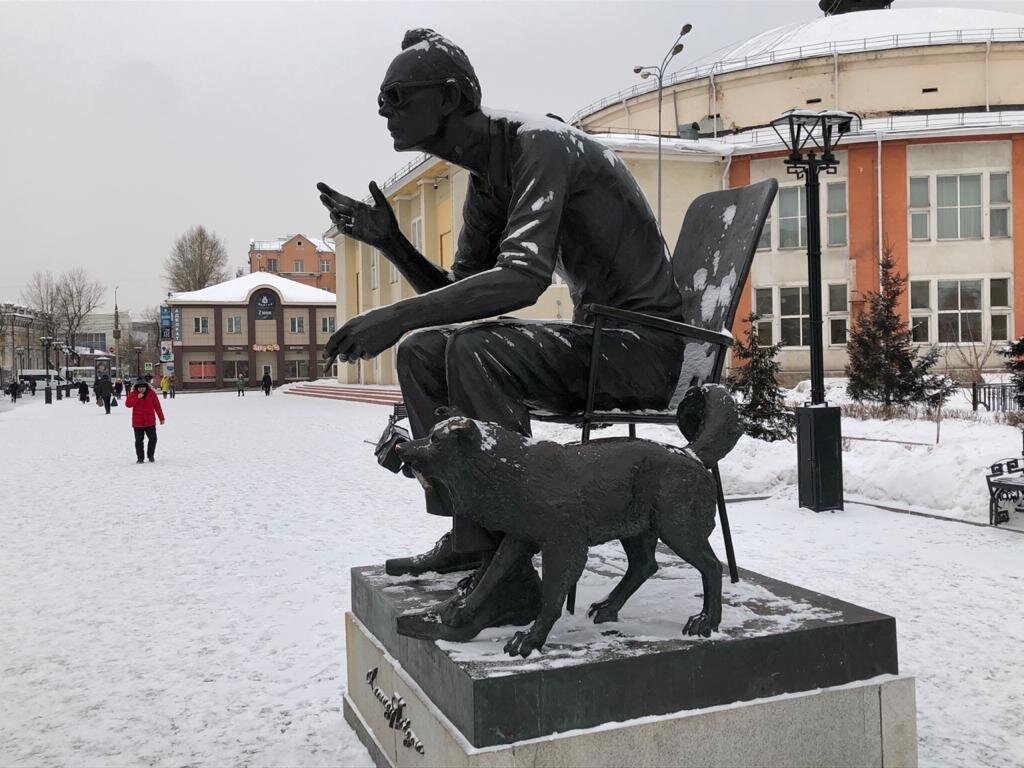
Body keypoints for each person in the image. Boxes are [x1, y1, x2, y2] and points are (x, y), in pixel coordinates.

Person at [317, 29, 685, 637]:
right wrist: (390, 241)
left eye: (398, 96)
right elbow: (460, 295)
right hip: (602, 345)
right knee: (422, 351)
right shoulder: (488, 178)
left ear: (453, 96)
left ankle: (513, 581)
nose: (385, 110)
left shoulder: (539, 146)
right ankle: (473, 535)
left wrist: (390, 315)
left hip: (643, 348)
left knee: (471, 350)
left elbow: (520, 280)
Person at [125, 377, 165, 463]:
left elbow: (157, 406)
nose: (141, 389)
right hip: (138, 422)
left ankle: (150, 455)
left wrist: (161, 418)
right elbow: (128, 404)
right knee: (139, 440)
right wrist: (137, 397)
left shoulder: (152, 394)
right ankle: (140, 458)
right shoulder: (133, 394)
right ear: (136, 387)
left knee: (153, 438)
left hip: (150, 421)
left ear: (146, 387)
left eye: (143, 387)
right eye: (139, 388)